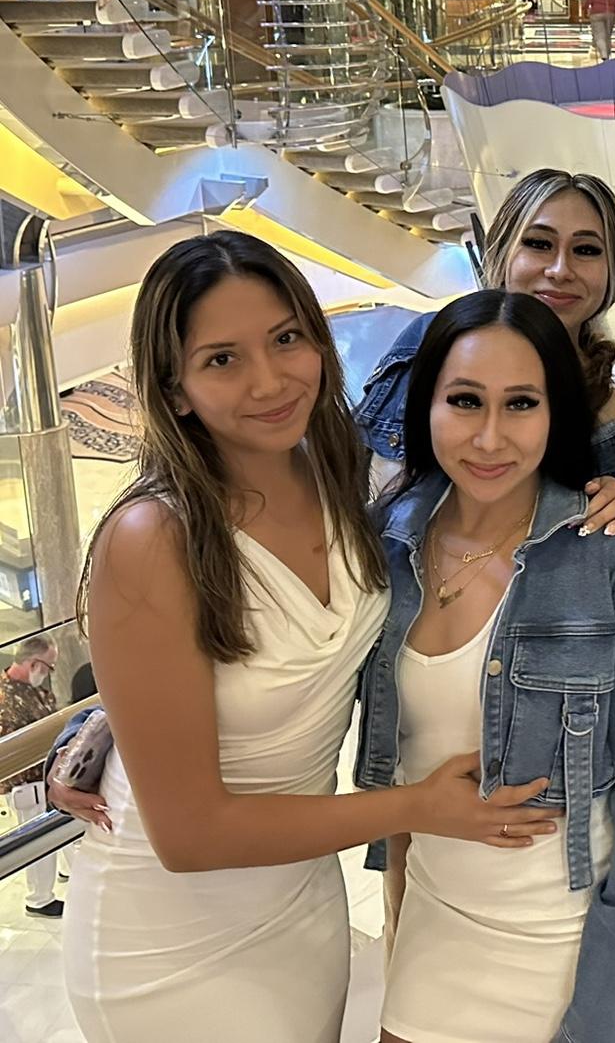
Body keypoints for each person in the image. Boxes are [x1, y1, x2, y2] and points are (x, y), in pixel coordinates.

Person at [52, 231, 527, 1043]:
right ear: (173, 391)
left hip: (301, 898)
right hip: (170, 935)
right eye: (222, 359)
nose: (270, 381)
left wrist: (611, 496)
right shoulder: (153, 536)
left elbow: (500, 485)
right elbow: (189, 835)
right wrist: (418, 807)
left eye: (285, 339)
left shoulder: (340, 472)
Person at [353, 290, 615, 1043]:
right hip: (434, 921)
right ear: (426, 404)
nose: (490, 437)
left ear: (556, 411)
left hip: (560, 939)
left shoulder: (614, 563)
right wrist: (113, 724)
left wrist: (605, 1015)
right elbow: (285, 665)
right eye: (465, 401)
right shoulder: (384, 544)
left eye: (521, 404)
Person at [357, 167, 615, 500]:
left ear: (614, 269)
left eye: (586, 250)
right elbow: (366, 484)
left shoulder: (610, 415)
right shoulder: (430, 342)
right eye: (539, 244)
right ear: (503, 252)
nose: (560, 270)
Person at [1, 634, 63, 917]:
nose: (49, 673)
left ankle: (61, 876)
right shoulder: (6, 699)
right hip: (26, 784)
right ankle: (39, 899)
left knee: (55, 837)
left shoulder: (29, 689)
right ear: (34, 663)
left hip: (46, 778)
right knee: (38, 847)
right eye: (49, 666)